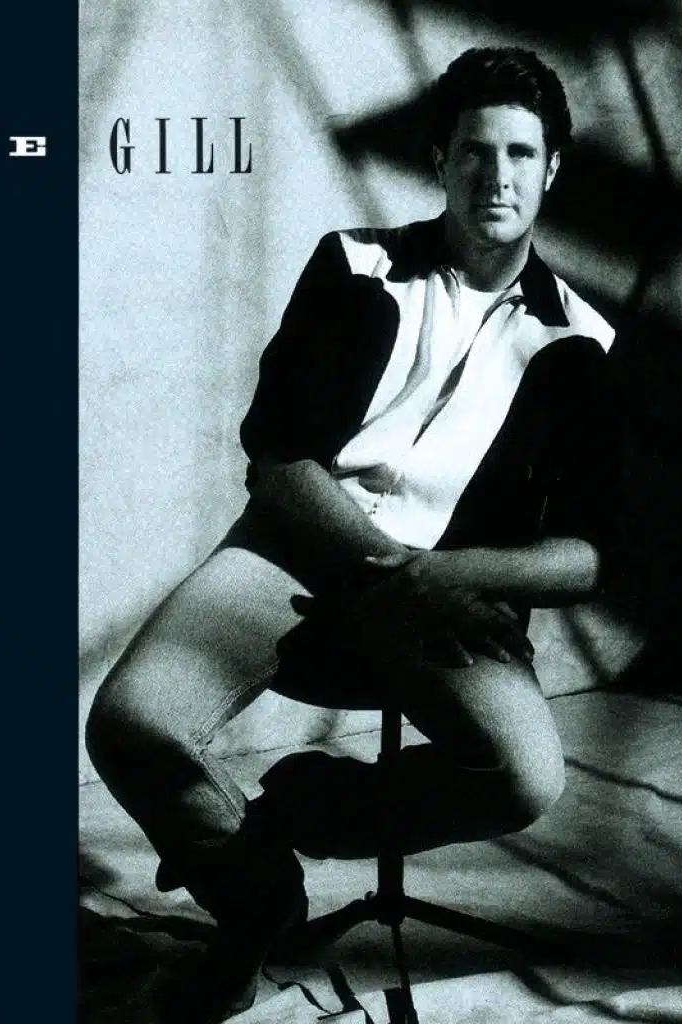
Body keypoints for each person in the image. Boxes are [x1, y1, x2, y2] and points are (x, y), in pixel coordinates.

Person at [85, 46, 622, 1022]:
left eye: (518, 154)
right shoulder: (352, 263)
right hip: (296, 552)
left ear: (551, 169)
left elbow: (587, 554)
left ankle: (302, 809)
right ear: (440, 159)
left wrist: (457, 574)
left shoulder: (584, 343)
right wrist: (396, 571)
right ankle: (258, 901)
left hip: (447, 592)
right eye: (473, 152)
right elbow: (278, 458)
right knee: (131, 721)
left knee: (525, 775)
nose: (495, 177)